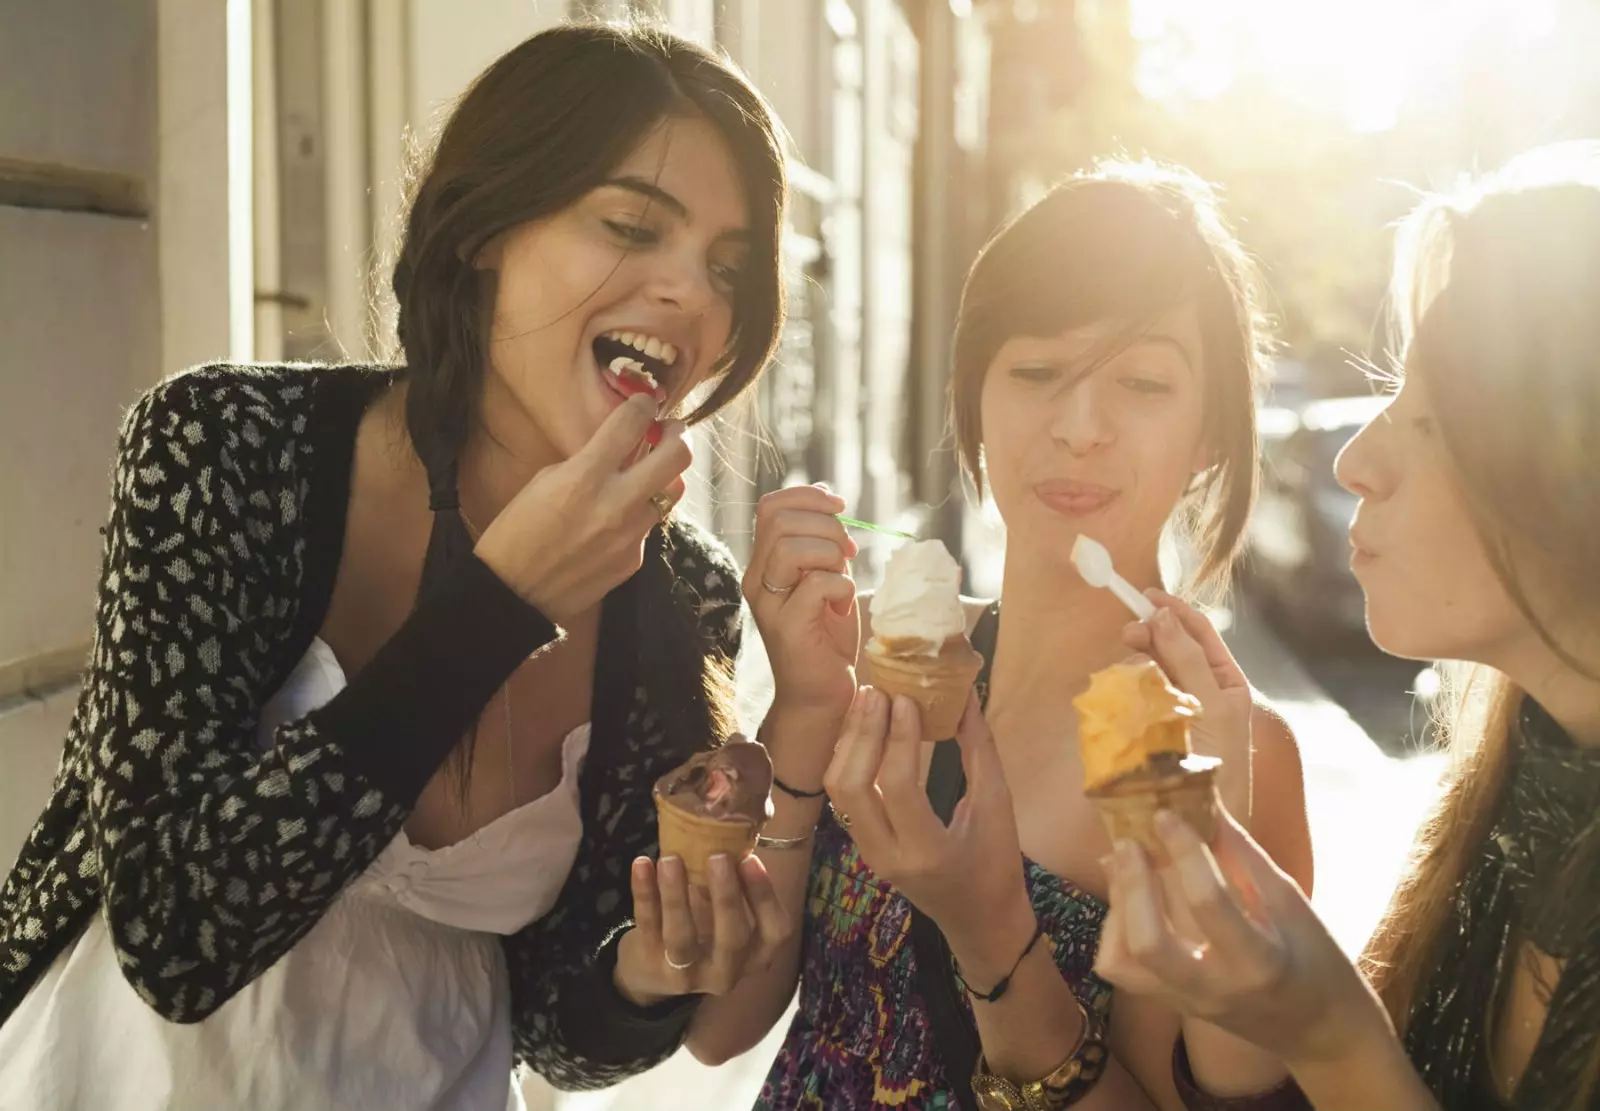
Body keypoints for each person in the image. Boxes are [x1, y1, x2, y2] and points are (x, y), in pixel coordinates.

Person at [0, 23, 858, 1110]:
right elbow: (175, 935)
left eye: (727, 269)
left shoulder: (677, 592)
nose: (693, 296)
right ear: (486, 227)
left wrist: (646, 971)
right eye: (633, 226)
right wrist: (497, 608)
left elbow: (556, 1031)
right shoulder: (221, 444)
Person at [685, 161, 1315, 1109]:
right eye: (1035, 371)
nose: (1079, 427)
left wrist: (991, 932)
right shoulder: (880, 663)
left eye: (1144, 383)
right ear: (973, 397)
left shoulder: (1223, 750)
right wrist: (808, 708)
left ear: (1211, 437)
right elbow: (719, 1029)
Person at [1092, 142, 1600, 1111]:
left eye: (1430, 420)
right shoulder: (1518, 795)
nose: (1354, 462)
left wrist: (1330, 1034)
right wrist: (1262, 995)